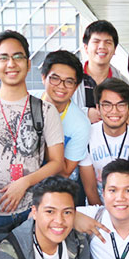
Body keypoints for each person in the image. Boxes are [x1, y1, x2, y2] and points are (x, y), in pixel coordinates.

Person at [0, 30, 64, 232]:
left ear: (28, 63)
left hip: (32, 214)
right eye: (3, 58)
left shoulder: (45, 110)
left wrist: (25, 182)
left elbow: (57, 162)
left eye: (18, 57)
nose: (11, 64)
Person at [79, 78, 129, 205]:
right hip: (98, 209)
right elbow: (90, 189)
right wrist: (103, 219)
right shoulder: (87, 135)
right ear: (98, 108)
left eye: (121, 105)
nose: (114, 111)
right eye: (107, 105)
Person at [40, 50, 90, 180]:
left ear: (76, 86)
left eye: (69, 81)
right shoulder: (25, 103)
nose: (61, 86)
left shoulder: (81, 124)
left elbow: (66, 171)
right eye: (55, 78)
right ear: (43, 77)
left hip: (55, 188)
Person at [72, 20, 129, 123]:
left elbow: (127, 111)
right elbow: (58, 107)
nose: (102, 46)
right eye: (96, 41)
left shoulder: (123, 82)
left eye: (108, 42)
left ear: (115, 49)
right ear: (86, 48)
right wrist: (86, 113)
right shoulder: (71, 77)